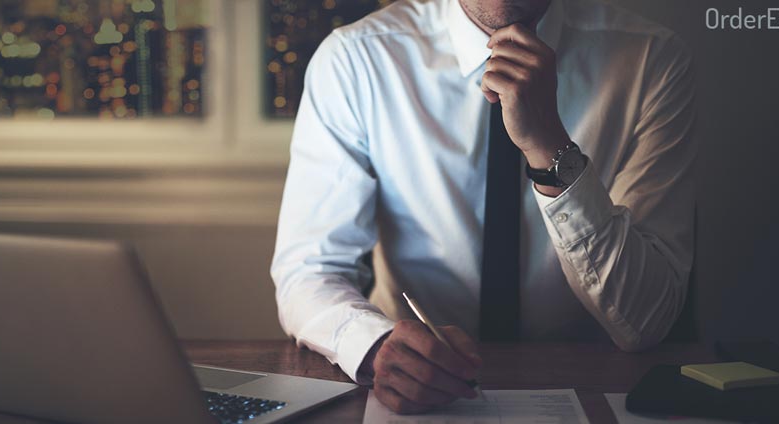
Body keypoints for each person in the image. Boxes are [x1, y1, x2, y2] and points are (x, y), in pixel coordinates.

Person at [271, 0, 696, 414]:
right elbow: (310, 271)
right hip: (416, 401)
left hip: (589, 387)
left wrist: (549, 147)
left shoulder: (650, 60)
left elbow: (645, 321)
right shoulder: (356, 60)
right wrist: (376, 345)